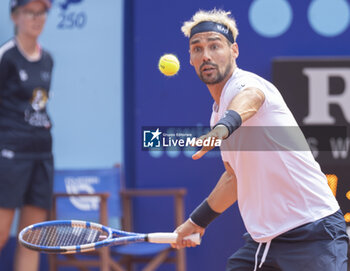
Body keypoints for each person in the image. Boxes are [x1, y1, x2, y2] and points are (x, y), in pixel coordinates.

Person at [172, 9, 349, 271]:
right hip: (264, 242)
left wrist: (224, 128)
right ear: (190, 59)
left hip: (314, 232)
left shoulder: (247, 84)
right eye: (197, 49)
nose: (206, 55)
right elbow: (234, 178)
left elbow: (250, 99)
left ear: (234, 51)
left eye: (214, 46)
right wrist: (197, 221)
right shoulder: (217, 112)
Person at [0, 0, 54, 270]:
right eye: (29, 12)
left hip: (42, 155)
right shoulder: (5, 57)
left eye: (41, 11)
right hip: (10, 156)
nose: (36, 17)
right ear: (15, 16)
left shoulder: (48, 59)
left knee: (32, 237)